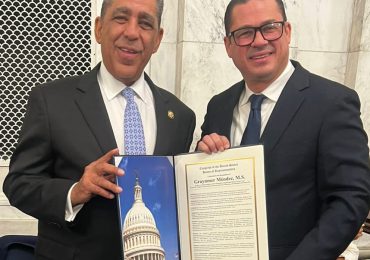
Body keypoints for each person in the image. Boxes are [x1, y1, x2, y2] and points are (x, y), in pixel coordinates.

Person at [3, 0, 195, 259]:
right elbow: (18, 183)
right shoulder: (52, 101)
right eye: (120, 18)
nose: (131, 32)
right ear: (99, 28)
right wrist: (75, 192)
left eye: (145, 23)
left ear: (158, 39)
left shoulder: (180, 117)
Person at [197, 0, 370, 259]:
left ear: (287, 31)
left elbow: (350, 199)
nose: (258, 41)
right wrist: (201, 159)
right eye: (244, 33)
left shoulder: (332, 103)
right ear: (228, 45)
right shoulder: (218, 106)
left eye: (269, 27)